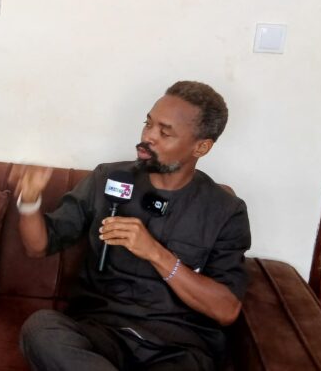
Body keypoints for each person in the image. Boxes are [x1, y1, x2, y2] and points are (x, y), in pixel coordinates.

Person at [17, 81, 250, 371]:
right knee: (40, 328)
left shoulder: (225, 210)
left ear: (201, 147)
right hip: (101, 333)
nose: (148, 136)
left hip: (176, 348)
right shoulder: (108, 179)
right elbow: (38, 246)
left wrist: (155, 252)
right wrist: (29, 201)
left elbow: (226, 310)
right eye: (148, 124)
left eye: (165, 132)